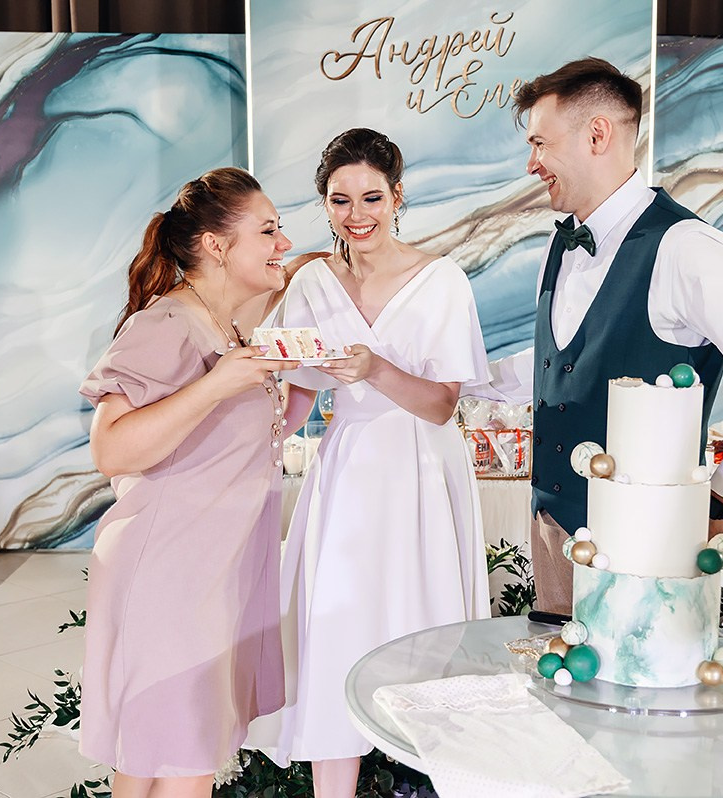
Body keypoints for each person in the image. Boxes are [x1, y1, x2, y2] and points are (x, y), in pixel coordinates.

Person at [486, 58, 723, 618]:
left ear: (597, 135)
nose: (531, 164)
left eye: (541, 144)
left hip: (647, 544)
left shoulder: (684, 247)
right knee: (553, 673)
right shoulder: (561, 243)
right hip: (553, 529)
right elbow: (562, 360)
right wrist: (457, 377)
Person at [248, 128, 491, 797]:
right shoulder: (311, 282)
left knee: (427, 629)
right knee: (337, 628)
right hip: (347, 472)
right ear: (324, 205)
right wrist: (257, 444)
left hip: (422, 473)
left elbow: (442, 405)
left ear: (398, 196)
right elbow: (299, 391)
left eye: (372, 198)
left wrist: (376, 368)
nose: (357, 215)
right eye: (340, 200)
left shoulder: (441, 281)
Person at [78, 167, 314, 798]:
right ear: (215, 245)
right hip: (170, 572)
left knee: (155, 759)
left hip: (209, 569)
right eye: (268, 230)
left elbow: (245, 438)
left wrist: (306, 376)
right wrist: (215, 385)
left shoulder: (227, 325)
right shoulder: (167, 324)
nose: (283, 243)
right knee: (183, 762)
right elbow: (111, 450)